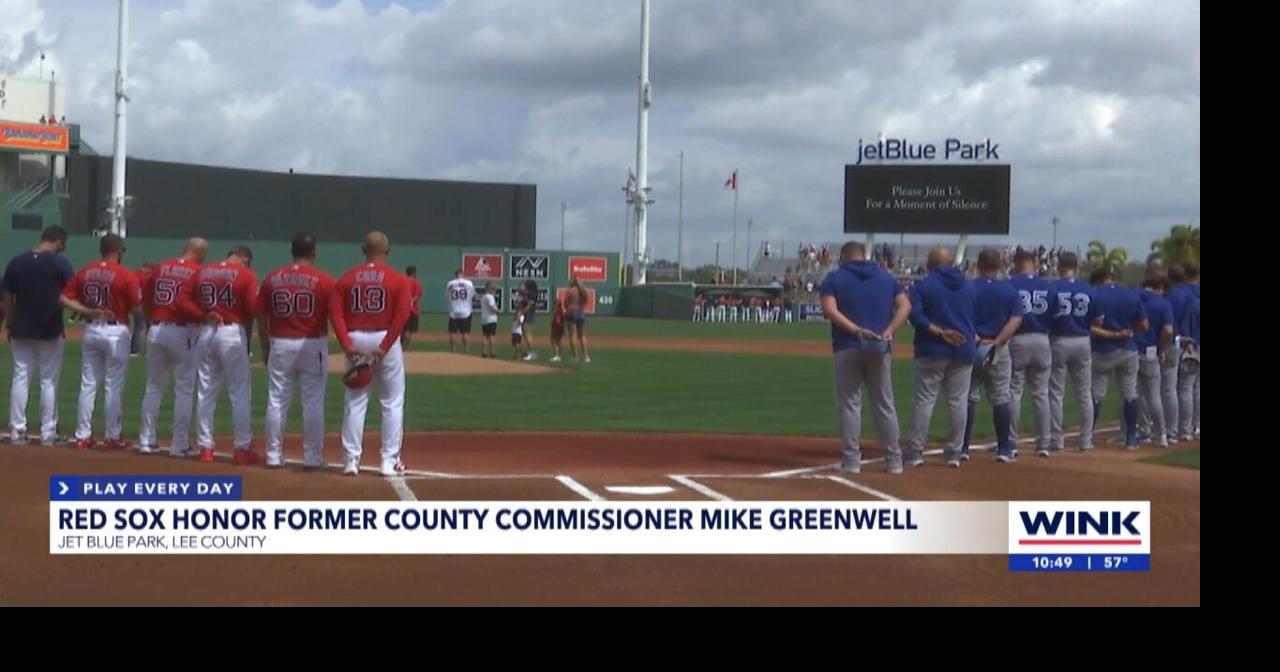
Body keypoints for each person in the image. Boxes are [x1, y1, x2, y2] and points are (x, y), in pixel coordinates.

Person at [2, 226, 104, 445]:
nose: (62, 248)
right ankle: (48, 432)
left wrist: (9, 323)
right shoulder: (60, 263)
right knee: (48, 380)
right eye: (62, 244)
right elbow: (72, 292)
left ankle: (17, 431)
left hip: (21, 328)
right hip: (50, 329)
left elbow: (7, 297)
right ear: (58, 240)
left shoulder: (17, 261)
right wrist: (86, 310)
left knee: (20, 378)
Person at [819, 241, 911, 474]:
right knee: (884, 404)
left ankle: (851, 461)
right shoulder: (886, 278)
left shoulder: (835, 278)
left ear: (843, 257)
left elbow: (830, 311)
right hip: (879, 346)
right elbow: (905, 306)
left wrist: (856, 330)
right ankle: (894, 461)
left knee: (850, 404)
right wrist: (889, 330)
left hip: (847, 345)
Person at [329, 232, 413, 476]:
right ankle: (388, 461)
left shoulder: (346, 278)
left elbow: (335, 313)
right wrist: (385, 346)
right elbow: (402, 315)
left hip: (355, 338)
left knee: (355, 402)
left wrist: (346, 343)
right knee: (392, 402)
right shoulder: (398, 280)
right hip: (383, 336)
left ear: (362, 250)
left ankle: (350, 461)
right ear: (388, 251)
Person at [259, 234, 335, 468]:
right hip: (312, 344)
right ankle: (312, 457)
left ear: (291, 251)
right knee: (312, 402)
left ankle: (273, 455)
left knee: (276, 400)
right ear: (313, 253)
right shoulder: (324, 280)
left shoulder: (273, 278)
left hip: (280, 343)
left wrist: (264, 344)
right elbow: (334, 314)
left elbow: (261, 315)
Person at [63, 233, 143, 450]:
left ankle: (82, 436)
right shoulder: (126, 275)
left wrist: (87, 310)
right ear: (118, 251)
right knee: (113, 385)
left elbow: (64, 298)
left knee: (88, 383)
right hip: (115, 331)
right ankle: (112, 436)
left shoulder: (86, 270)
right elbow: (137, 309)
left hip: (91, 329)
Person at [904, 247, 976, 468]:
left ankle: (916, 451)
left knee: (925, 400)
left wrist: (940, 332)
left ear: (929, 264)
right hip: (964, 348)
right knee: (958, 402)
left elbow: (915, 316)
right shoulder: (968, 285)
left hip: (932, 348)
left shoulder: (923, 285)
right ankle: (954, 452)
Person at [138, 238, 208, 456]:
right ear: (198, 252)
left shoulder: (160, 267)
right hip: (182, 331)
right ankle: (179, 444)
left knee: (154, 387)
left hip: (158, 328)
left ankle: (146, 441)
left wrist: (150, 325)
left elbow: (146, 301)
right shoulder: (198, 272)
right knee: (184, 389)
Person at [193, 246, 259, 464]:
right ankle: (241, 447)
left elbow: (188, 300)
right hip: (231, 332)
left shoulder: (202, 271)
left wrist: (204, 314)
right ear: (245, 259)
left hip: (206, 332)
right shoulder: (246, 275)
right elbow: (252, 308)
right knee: (239, 392)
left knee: (205, 392)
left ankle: (205, 448)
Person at [961, 249, 1025, 462]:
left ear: (978, 265)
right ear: (999, 266)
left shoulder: (968, 287)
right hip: (998, 348)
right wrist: (997, 340)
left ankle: (963, 447)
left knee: (969, 396)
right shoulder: (1009, 290)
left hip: (972, 346)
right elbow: (1016, 321)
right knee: (1000, 397)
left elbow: (962, 317)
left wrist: (976, 337)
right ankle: (1004, 449)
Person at [1088, 266, 1148, 450]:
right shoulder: (1130, 294)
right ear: (1112, 277)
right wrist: (1127, 332)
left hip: (1102, 349)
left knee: (1096, 394)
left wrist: (1113, 334)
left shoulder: (1095, 293)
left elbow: (1091, 326)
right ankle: (1131, 438)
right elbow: (1144, 325)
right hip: (1128, 348)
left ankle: (1087, 436)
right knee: (1130, 393)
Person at [1048, 252, 1098, 452]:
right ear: (1077, 265)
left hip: (1059, 340)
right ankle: (1085, 441)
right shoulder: (1088, 289)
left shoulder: (1053, 289)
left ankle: (1056, 440)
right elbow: (1098, 320)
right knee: (1084, 394)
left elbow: (1047, 317)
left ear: (1059, 266)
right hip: (1082, 339)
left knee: (1056, 393)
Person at [1007, 250, 1055, 457]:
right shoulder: (1048, 285)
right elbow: (1055, 315)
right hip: (1042, 339)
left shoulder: (1010, 284)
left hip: (1018, 339)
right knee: (1041, 394)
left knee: (1014, 392)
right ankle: (1044, 443)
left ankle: (1010, 442)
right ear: (1034, 264)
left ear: (1017, 264)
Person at [1135, 275, 1175, 448]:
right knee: (1153, 395)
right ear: (1159, 286)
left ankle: (1136, 433)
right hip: (1151, 351)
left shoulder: (1132, 296)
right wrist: (1164, 349)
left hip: (1129, 349)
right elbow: (1167, 330)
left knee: (1131, 393)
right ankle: (1162, 435)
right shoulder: (1163, 303)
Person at [445, 269, 476, 354]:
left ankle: (453, 349)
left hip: (453, 312)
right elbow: (473, 296)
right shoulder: (469, 283)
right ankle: (466, 349)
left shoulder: (450, 284)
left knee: (453, 332)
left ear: (455, 275)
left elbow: (447, 296)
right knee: (465, 332)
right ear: (462, 274)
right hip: (466, 312)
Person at [131, 261, 155, 356]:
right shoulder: (144, 277)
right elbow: (146, 292)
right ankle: (142, 350)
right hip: (142, 305)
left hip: (134, 305)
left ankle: (134, 349)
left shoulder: (134, 274)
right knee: (145, 328)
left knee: (138, 327)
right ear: (148, 268)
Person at [566, 277, 591, 363]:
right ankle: (586, 357)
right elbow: (586, 301)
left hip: (572, 313)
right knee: (582, 336)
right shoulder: (583, 291)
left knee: (573, 336)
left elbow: (566, 302)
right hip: (581, 312)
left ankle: (575, 357)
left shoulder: (570, 291)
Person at [517, 280, 539, 361]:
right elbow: (520, 305)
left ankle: (532, 353)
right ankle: (530, 352)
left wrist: (521, 313)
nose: (523, 285)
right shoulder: (522, 293)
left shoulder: (533, 293)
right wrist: (519, 314)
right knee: (525, 333)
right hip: (525, 313)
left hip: (530, 313)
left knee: (527, 333)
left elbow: (529, 305)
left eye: (525, 284)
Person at [403, 265, 423, 349]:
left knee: (403, 330)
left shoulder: (402, 281)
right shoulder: (417, 283)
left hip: (403, 309)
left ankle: (401, 347)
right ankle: (405, 348)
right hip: (413, 310)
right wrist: (411, 301)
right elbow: (417, 295)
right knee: (409, 331)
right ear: (414, 273)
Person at [479, 282, 501, 358]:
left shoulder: (483, 297)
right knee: (491, 336)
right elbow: (492, 308)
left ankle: (484, 352)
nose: (494, 290)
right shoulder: (490, 297)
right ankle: (492, 353)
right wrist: (497, 312)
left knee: (485, 336)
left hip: (484, 318)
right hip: (491, 319)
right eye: (493, 288)